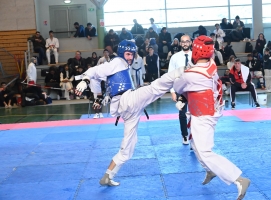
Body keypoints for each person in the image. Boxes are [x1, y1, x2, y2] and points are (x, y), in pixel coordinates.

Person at [75, 39, 185, 186]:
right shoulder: (117, 62)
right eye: (128, 54)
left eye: (132, 55)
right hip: (127, 100)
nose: (130, 58)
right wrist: (85, 80)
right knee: (155, 88)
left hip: (131, 110)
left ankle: (108, 176)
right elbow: (95, 71)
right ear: (121, 53)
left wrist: (99, 97)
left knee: (128, 147)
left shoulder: (122, 67)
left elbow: (100, 79)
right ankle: (186, 70)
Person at [173, 35, 251, 200]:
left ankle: (238, 179)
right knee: (194, 143)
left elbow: (178, 86)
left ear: (195, 50)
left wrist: (183, 78)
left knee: (205, 151)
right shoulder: (212, 64)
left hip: (204, 113)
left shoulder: (191, 74)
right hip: (210, 108)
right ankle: (210, 170)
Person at [168, 35, 192, 145]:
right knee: (182, 113)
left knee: (195, 114)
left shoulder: (195, 56)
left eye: (187, 41)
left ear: (190, 42)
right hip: (181, 89)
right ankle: (185, 135)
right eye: (183, 42)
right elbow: (170, 75)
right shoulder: (175, 57)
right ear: (180, 43)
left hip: (193, 88)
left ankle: (194, 136)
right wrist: (172, 91)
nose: (185, 43)